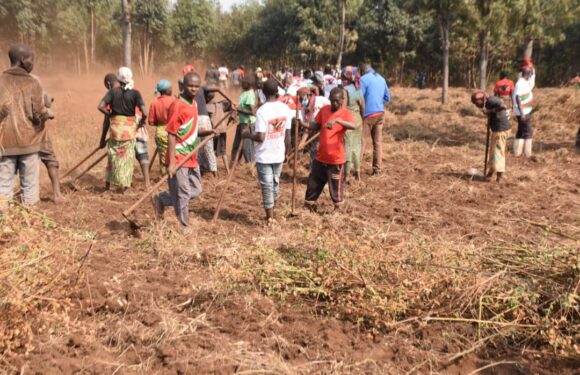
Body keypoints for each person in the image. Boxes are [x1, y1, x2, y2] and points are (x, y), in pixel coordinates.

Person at [151, 72, 216, 237]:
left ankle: (162, 200)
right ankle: (184, 225)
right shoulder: (177, 105)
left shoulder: (193, 104)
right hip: (179, 156)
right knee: (183, 192)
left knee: (196, 189)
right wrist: (171, 162)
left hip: (191, 155)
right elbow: (172, 133)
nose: (194, 89)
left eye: (196, 86)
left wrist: (207, 131)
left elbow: (191, 130)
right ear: (183, 86)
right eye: (190, 85)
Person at [0, 44, 52, 205]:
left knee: (3, 187)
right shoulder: (33, 83)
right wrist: (48, 114)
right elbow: (39, 113)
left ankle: (4, 224)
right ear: (23, 60)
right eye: (31, 60)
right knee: (29, 189)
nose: (33, 63)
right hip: (29, 143)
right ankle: (30, 225)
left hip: (4, 144)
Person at [242, 79, 293, 222]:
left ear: (263, 93)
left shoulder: (261, 111)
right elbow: (288, 134)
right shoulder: (285, 109)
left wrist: (247, 135)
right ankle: (272, 212)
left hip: (264, 156)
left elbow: (260, 137)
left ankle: (270, 218)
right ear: (277, 92)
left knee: (267, 186)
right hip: (278, 153)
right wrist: (287, 153)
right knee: (275, 184)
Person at [301, 88, 356, 211]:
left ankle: (338, 209)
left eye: (336, 101)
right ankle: (309, 204)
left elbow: (353, 126)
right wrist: (303, 123)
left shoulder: (345, 113)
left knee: (336, 186)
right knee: (313, 182)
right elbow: (316, 125)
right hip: (321, 156)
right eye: (332, 101)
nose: (334, 104)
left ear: (342, 100)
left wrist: (337, 120)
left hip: (336, 158)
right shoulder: (325, 109)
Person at [98, 67, 148, 192]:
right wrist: (141, 122)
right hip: (130, 130)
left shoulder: (112, 92)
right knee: (127, 157)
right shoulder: (135, 93)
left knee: (113, 155)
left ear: (118, 79)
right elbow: (145, 112)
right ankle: (126, 187)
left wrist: (110, 114)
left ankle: (108, 186)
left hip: (115, 130)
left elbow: (100, 106)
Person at [30, 73, 63, 203]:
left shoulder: (6, 80)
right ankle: (57, 194)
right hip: (37, 132)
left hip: (15, 135)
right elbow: (46, 103)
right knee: (51, 161)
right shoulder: (34, 79)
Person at [471, 91, 511, 183]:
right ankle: (491, 171)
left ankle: (500, 175)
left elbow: (503, 106)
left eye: (477, 102)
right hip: (497, 130)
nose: (477, 105)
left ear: (482, 99)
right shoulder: (488, 102)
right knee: (493, 152)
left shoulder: (491, 100)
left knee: (498, 152)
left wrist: (489, 111)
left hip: (501, 129)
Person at [360, 64, 390, 176]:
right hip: (380, 113)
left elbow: (359, 97)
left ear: (362, 71)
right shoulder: (381, 78)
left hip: (367, 115)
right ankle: (377, 170)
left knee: (362, 142)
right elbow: (387, 98)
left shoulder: (363, 79)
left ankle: (357, 169)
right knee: (377, 143)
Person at [341, 66, 365, 181]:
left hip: (348, 119)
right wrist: (362, 119)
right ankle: (358, 173)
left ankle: (346, 175)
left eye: (342, 77)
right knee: (357, 145)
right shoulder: (358, 88)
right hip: (358, 119)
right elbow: (363, 106)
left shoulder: (345, 90)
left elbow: (343, 108)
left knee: (347, 146)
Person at [148, 79, 176, 175]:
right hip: (174, 129)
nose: (172, 89)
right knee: (175, 153)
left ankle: (164, 176)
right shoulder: (175, 100)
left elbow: (151, 122)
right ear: (166, 90)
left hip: (160, 131)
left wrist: (160, 123)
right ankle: (175, 174)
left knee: (163, 156)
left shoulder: (154, 103)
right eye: (170, 88)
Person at [232, 76, 257, 164]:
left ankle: (250, 166)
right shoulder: (244, 92)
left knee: (247, 147)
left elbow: (252, 112)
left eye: (243, 83)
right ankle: (234, 163)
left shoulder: (249, 94)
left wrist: (239, 110)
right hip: (242, 122)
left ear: (249, 84)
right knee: (237, 144)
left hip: (248, 124)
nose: (241, 84)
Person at [512, 65, 535, 157]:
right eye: (530, 73)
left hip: (525, 110)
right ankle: (527, 153)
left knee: (521, 130)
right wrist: (522, 113)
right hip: (523, 112)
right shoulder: (520, 83)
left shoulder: (524, 82)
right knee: (528, 131)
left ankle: (517, 151)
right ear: (528, 74)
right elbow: (518, 97)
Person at [195, 83, 218, 176]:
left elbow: (215, 89)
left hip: (196, 119)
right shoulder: (201, 88)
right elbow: (216, 89)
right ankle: (213, 172)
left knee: (199, 147)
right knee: (208, 147)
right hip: (204, 119)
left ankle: (201, 170)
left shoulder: (186, 93)